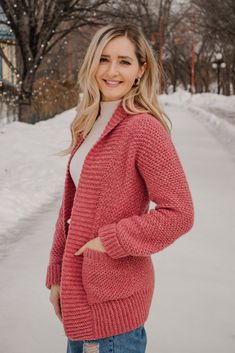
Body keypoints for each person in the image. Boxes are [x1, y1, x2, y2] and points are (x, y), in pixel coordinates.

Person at [45, 23, 194, 353]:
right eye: (104, 59)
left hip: (112, 309)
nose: (112, 71)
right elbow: (70, 210)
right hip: (80, 296)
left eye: (124, 62)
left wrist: (111, 240)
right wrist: (57, 273)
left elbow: (179, 213)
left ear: (141, 70)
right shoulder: (91, 122)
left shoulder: (142, 129)